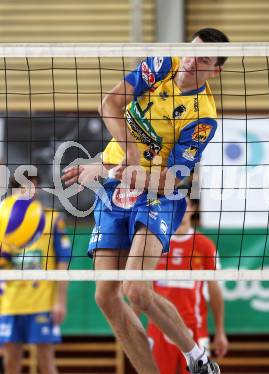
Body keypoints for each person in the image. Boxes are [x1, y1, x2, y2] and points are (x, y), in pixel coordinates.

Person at [62, 27, 229, 374]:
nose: (190, 62)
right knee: (105, 296)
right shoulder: (161, 65)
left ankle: (198, 359)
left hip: (157, 194)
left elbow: (172, 179)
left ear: (215, 70)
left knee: (136, 291)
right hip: (117, 184)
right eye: (191, 51)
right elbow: (109, 102)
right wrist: (129, 155)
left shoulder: (203, 116)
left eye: (203, 61)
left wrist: (121, 171)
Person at [147, 198, 229, 374]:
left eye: (185, 205)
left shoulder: (205, 246)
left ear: (193, 208)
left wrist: (220, 331)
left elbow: (215, 291)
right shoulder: (155, 243)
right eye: (176, 205)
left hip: (194, 328)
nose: (181, 210)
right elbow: (139, 289)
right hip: (159, 327)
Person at [0, 174, 71, 374]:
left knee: (46, 362)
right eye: (22, 188)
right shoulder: (4, 218)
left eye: (32, 187)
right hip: (10, 302)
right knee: (11, 361)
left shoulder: (52, 218)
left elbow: (63, 263)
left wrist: (60, 301)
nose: (28, 191)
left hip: (42, 302)